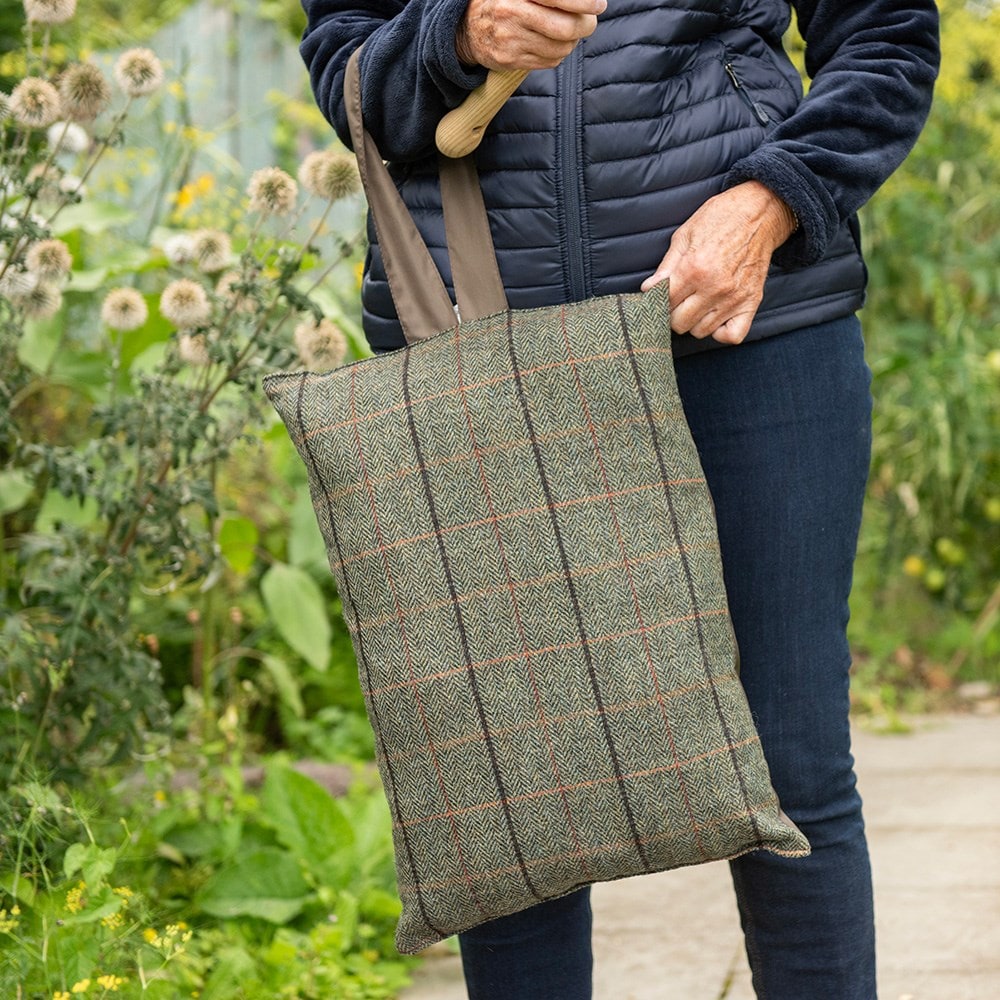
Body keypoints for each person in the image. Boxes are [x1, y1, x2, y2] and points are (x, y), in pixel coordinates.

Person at [298, 0, 940, 996]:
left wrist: (771, 197)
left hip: (744, 322)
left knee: (791, 775)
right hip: (479, 336)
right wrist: (455, 41)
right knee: (511, 802)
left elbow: (887, 36)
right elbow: (351, 71)